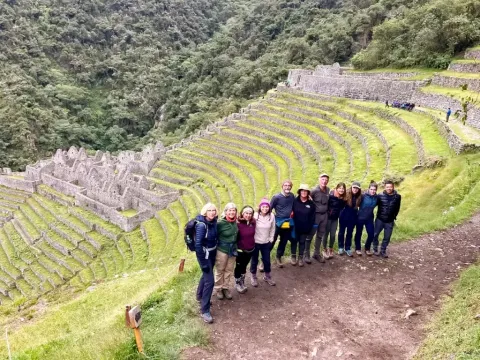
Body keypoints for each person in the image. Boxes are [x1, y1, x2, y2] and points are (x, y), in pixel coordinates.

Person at [195, 203, 219, 324]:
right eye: (209, 210)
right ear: (205, 212)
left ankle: (199, 295)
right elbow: (198, 245)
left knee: (206, 276)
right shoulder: (201, 225)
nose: (212, 212)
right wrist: (203, 262)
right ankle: (205, 310)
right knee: (210, 281)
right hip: (205, 255)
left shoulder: (214, 221)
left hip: (212, 253)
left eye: (214, 210)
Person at [214, 203, 238, 300]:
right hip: (222, 250)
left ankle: (225, 287)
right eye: (230, 210)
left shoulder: (236, 222)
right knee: (220, 270)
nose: (232, 212)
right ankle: (218, 289)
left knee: (229, 270)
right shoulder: (220, 223)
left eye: (234, 210)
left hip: (232, 250)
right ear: (226, 212)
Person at [250, 198, 276, 286]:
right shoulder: (255, 215)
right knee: (254, 260)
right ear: (260, 207)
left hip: (266, 242)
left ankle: (267, 276)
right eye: (263, 207)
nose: (265, 209)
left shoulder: (272, 216)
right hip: (255, 242)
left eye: (267, 207)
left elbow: (273, 228)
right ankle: (253, 276)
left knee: (267, 260)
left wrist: (271, 239)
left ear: (269, 207)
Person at [373, 180, 402, 258]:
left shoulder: (398, 197)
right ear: (385, 187)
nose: (389, 188)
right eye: (387, 187)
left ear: (393, 187)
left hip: (389, 221)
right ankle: (375, 248)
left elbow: (397, 208)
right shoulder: (380, 195)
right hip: (380, 219)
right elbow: (373, 205)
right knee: (375, 234)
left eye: (390, 187)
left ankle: (383, 250)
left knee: (387, 237)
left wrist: (394, 217)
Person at [270, 180, 295, 267]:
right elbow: (269, 209)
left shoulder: (292, 196)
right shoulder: (276, 197)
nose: (287, 187)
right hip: (278, 222)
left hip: (287, 222)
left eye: (289, 186)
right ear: (282, 186)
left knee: (283, 240)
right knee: (272, 240)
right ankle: (264, 260)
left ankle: (278, 257)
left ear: (291, 187)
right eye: (285, 185)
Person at [292, 184, 316, 267]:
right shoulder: (295, 201)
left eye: (305, 191)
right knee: (294, 241)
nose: (304, 192)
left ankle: (300, 258)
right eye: (302, 191)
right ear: (299, 192)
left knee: (302, 242)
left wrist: (309, 226)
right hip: (295, 227)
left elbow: (313, 217)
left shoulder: (311, 204)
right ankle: (293, 256)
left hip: (305, 227)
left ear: (308, 192)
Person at [234, 205, 256, 294]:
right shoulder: (238, 224)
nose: (248, 215)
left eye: (250, 213)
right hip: (240, 250)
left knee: (244, 266)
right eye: (246, 213)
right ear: (242, 213)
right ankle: (237, 283)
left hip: (250, 249)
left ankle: (242, 281)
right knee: (239, 266)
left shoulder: (253, 222)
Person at [309, 173, 330, 263]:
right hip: (316, 216)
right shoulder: (314, 190)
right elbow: (306, 196)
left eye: (326, 180)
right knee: (310, 235)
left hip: (324, 216)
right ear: (319, 179)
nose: (324, 181)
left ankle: (316, 253)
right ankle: (306, 255)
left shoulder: (328, 190)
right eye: (322, 179)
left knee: (320, 235)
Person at [322, 182, 346, 259]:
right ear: (336, 188)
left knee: (332, 235)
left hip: (335, 219)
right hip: (328, 218)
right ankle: (324, 249)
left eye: (343, 188)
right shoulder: (330, 196)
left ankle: (331, 248)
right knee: (325, 234)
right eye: (340, 188)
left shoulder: (342, 199)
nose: (341, 190)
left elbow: (342, 208)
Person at [338, 182, 362, 257]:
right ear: (351, 187)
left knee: (349, 233)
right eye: (354, 187)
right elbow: (337, 195)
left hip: (353, 217)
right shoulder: (345, 194)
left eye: (357, 188)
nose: (355, 189)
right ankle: (340, 247)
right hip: (344, 216)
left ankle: (347, 248)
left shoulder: (360, 196)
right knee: (341, 232)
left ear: (358, 189)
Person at [355, 181, 378, 256]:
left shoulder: (376, 197)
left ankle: (367, 248)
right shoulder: (363, 196)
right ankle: (358, 248)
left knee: (371, 234)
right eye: (371, 189)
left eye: (374, 189)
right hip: (360, 217)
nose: (373, 191)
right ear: (369, 189)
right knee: (359, 233)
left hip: (369, 218)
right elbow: (356, 204)